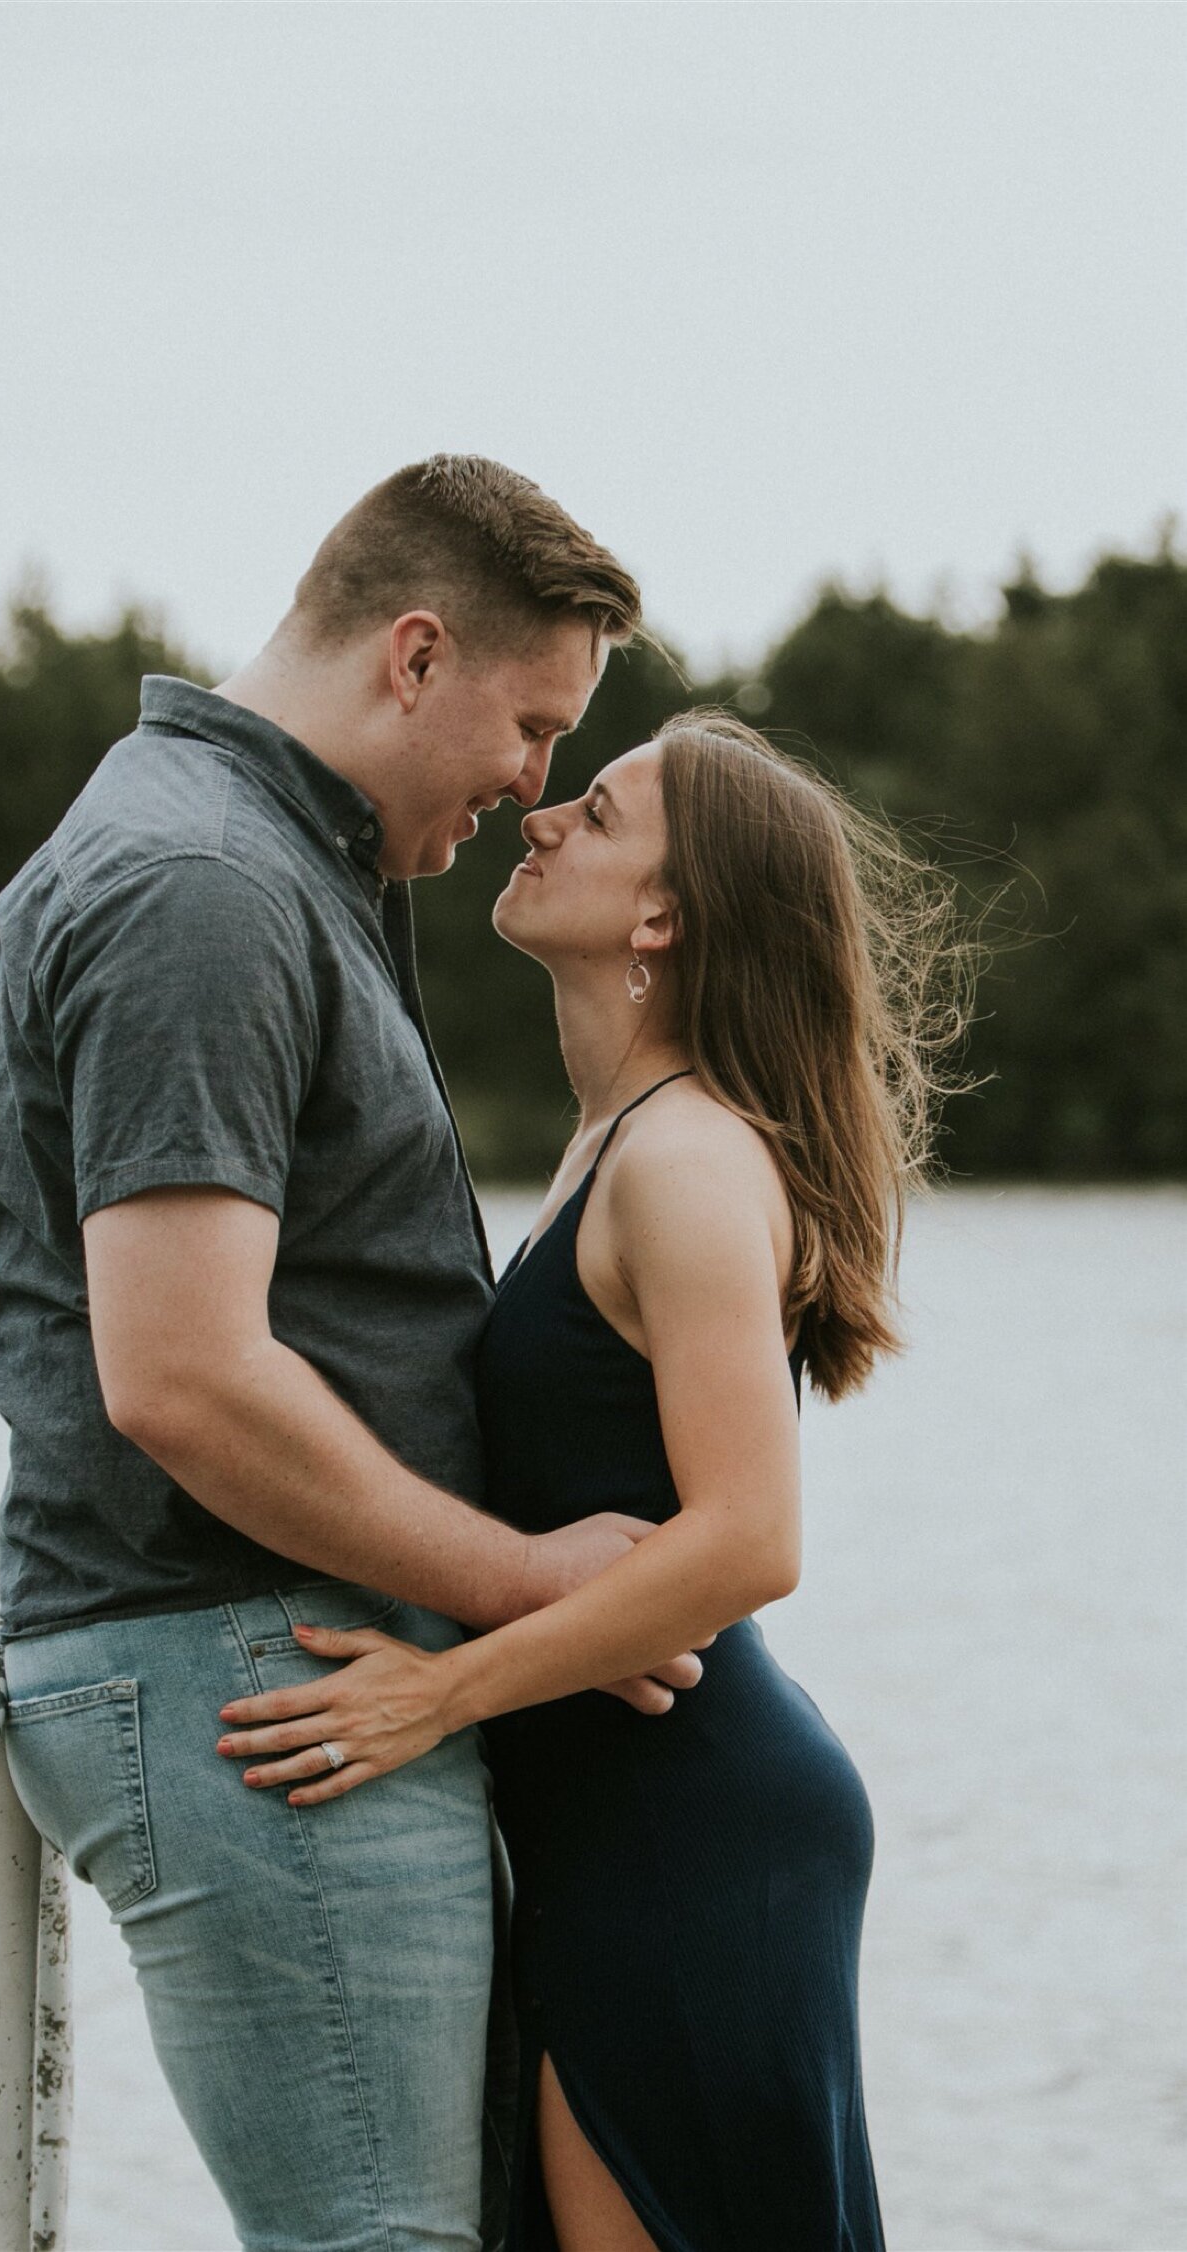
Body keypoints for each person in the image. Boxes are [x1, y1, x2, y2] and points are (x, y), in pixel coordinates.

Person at [0, 455, 711, 2252]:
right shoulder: (203, 888)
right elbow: (185, 1379)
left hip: (272, 1661)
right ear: (416, 654)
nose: (534, 787)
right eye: (531, 725)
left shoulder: (274, 858)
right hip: (251, 1668)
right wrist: (533, 1585)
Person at [216, 712, 971, 2250]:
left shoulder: (687, 1161)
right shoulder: (612, 1142)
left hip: (695, 1837)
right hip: (622, 1831)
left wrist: (438, 1695)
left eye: (602, 810)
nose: (543, 812)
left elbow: (752, 1541)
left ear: (659, 917)